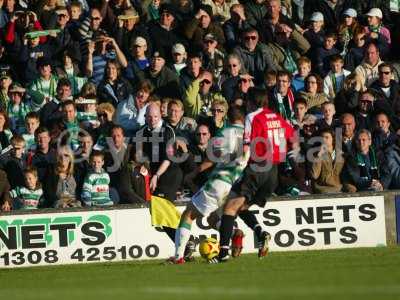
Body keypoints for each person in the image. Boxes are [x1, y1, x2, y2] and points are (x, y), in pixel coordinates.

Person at [216, 88, 295, 262]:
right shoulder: (276, 117)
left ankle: (222, 253)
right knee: (241, 207)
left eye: (247, 100)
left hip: (257, 168)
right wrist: (287, 155)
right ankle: (261, 233)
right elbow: (293, 137)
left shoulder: (252, 117)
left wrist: (238, 167)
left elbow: (246, 147)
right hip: (273, 171)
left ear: (252, 101)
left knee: (229, 208)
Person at [171, 106, 247, 264]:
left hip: (220, 181)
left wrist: (194, 172)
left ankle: (178, 257)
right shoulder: (249, 135)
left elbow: (212, 158)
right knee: (213, 219)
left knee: (189, 214)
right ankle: (234, 234)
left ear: (228, 117)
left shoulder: (225, 133)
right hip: (236, 184)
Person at [311, 128, 344, 193]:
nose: (324, 140)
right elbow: (314, 175)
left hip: (339, 188)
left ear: (333, 139)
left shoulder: (342, 155)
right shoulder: (316, 155)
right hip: (323, 189)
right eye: (322, 137)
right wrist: (319, 155)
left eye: (327, 137)